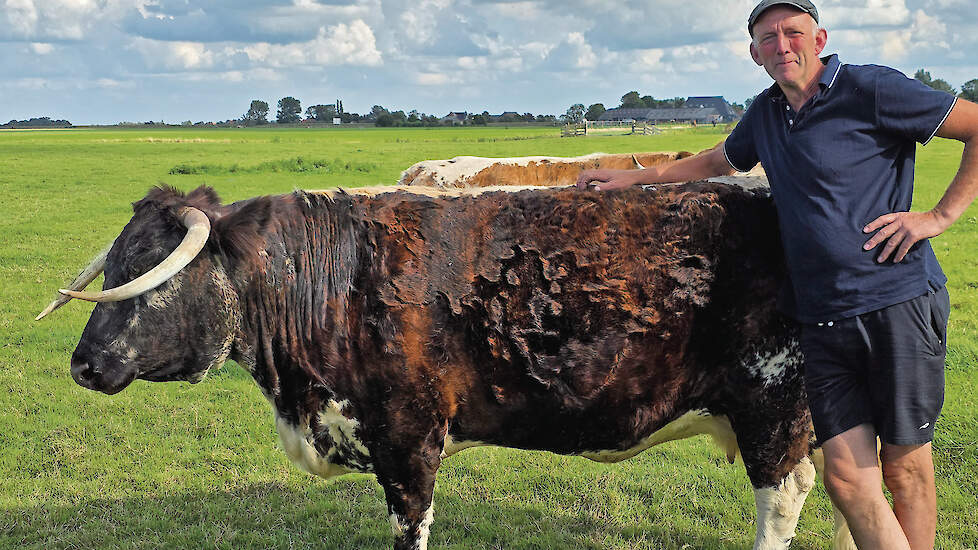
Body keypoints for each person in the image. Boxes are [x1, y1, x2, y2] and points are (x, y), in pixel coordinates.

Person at [576, 1, 978, 549]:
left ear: (820, 38)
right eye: (769, 38)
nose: (782, 45)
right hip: (822, 317)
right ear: (754, 53)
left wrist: (938, 216)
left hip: (896, 301)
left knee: (903, 468)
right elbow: (720, 161)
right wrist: (639, 178)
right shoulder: (766, 113)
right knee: (844, 476)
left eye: (793, 32)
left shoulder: (871, 89)